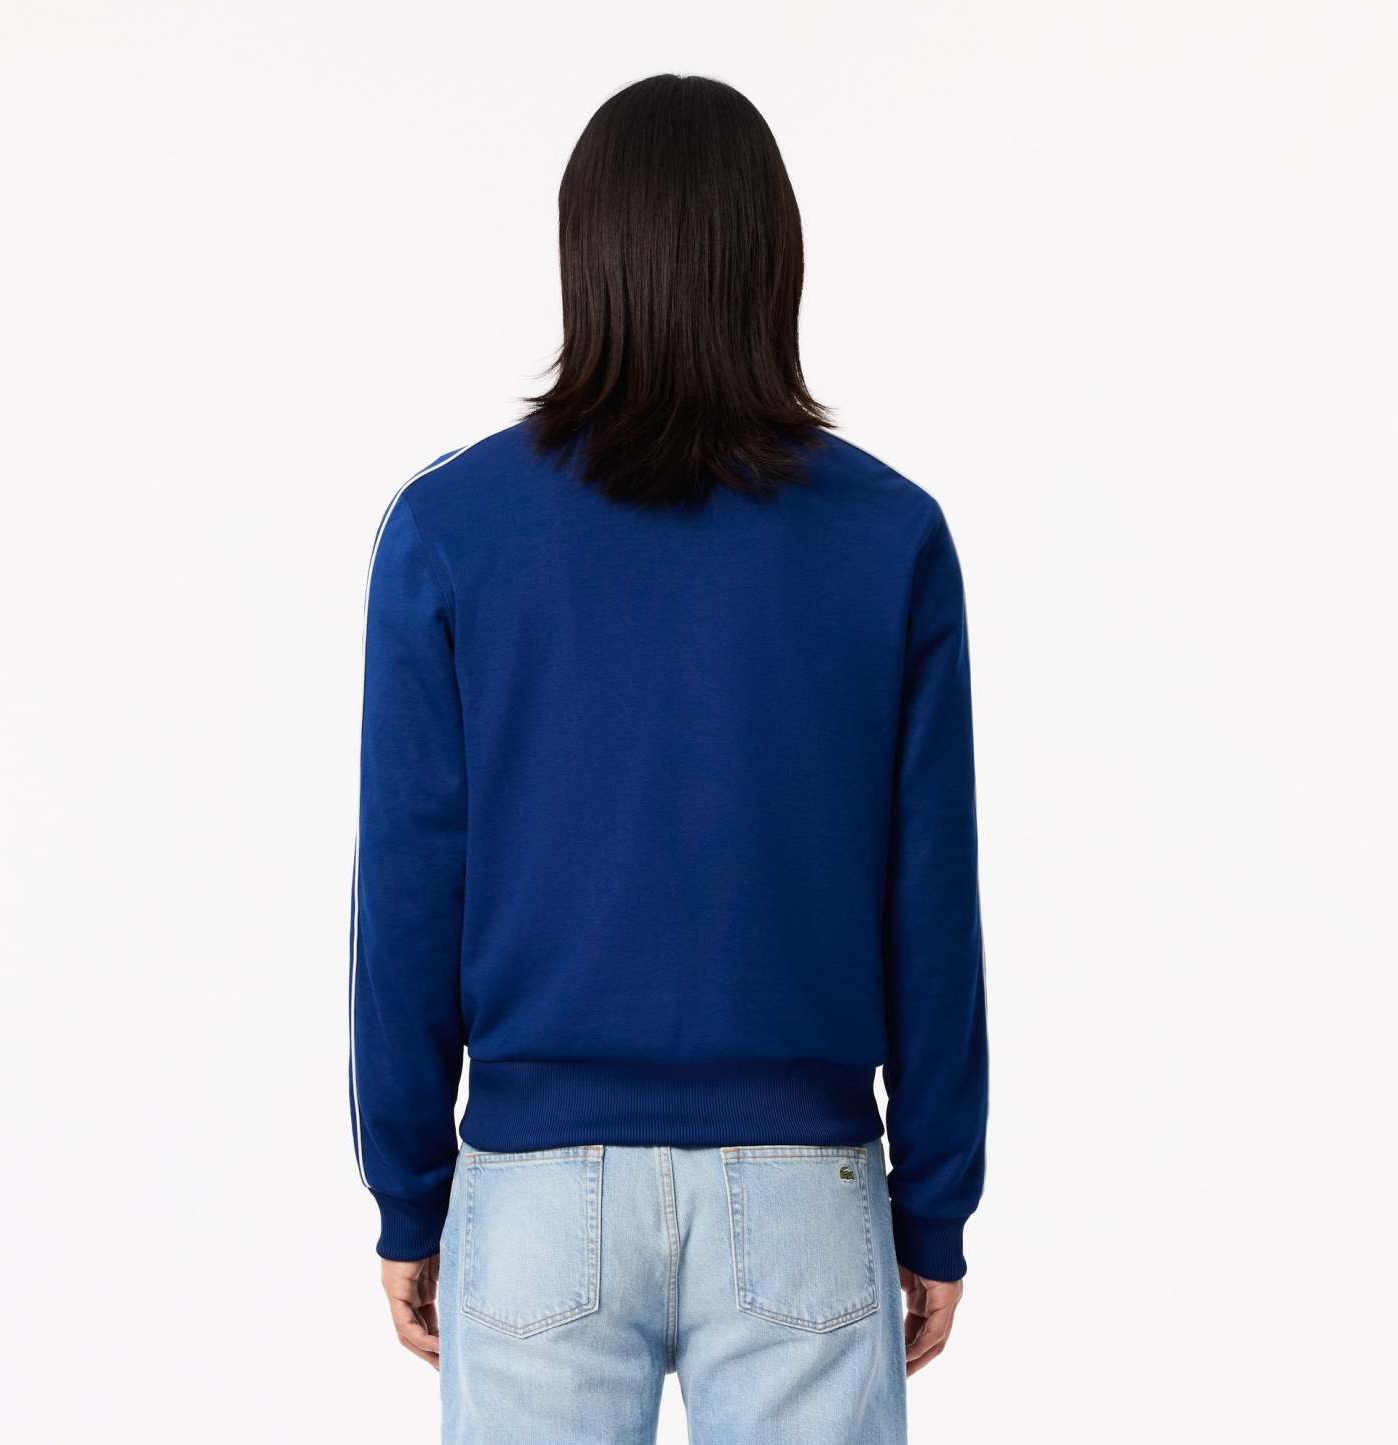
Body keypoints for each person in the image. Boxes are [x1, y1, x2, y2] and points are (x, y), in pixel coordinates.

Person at [348, 73, 987, 1444]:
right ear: (775, 260)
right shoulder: (890, 534)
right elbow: (930, 898)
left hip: (534, 1194)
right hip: (807, 1189)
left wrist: (407, 1192)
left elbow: (406, 882)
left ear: (586, 257)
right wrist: (934, 1201)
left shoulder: (451, 529)